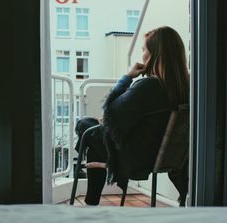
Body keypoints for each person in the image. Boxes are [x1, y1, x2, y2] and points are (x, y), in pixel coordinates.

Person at [75, 26, 190, 206]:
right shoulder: (186, 88)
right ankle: (91, 199)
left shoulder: (150, 86)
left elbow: (110, 112)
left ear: (154, 55)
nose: (142, 54)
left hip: (135, 158)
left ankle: (90, 202)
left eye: (144, 50)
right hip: (166, 157)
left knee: (85, 127)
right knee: (95, 132)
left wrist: (127, 77)